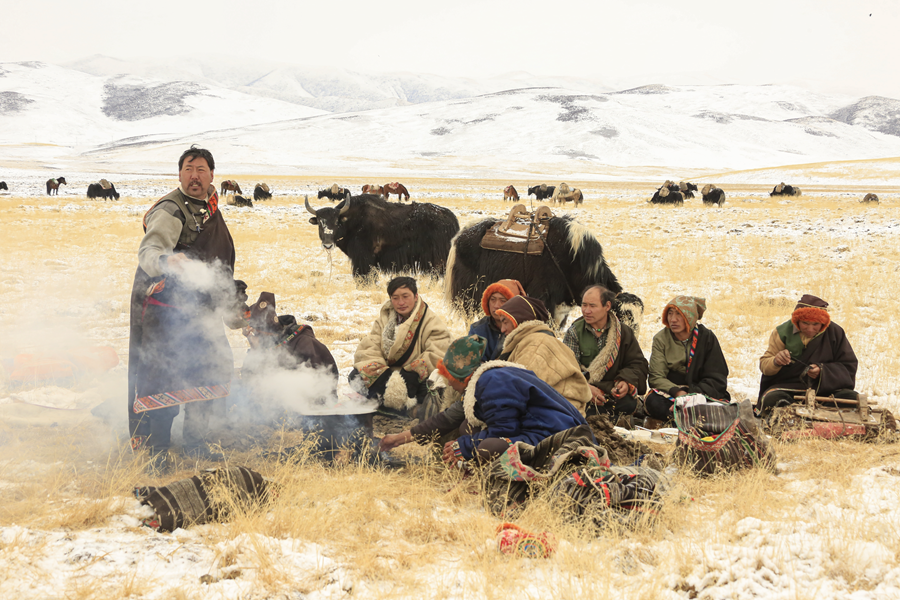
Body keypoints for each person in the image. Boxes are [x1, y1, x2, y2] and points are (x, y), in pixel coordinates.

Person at [127, 146, 246, 466]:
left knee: (207, 372)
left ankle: (195, 443)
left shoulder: (210, 208)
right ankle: (158, 452)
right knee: (164, 378)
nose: (195, 176)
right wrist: (167, 261)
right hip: (168, 314)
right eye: (188, 169)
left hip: (203, 312)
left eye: (201, 170)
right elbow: (149, 250)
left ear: (212, 175)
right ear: (179, 174)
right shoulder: (171, 210)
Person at [426, 335, 589, 463]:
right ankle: (476, 469)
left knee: (488, 447)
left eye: (450, 378)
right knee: (468, 427)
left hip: (554, 435)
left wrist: (465, 446)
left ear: (460, 376)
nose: (449, 384)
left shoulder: (492, 383)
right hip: (537, 429)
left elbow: (505, 431)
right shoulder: (489, 377)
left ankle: (489, 475)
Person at [350, 276, 451, 415]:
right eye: (395, 298)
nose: (401, 302)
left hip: (414, 378)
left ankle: (385, 403)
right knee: (355, 377)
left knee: (434, 385)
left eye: (405, 296)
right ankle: (405, 408)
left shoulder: (430, 320)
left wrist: (412, 372)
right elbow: (370, 347)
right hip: (388, 374)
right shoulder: (384, 320)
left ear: (416, 296)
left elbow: (439, 351)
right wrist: (383, 375)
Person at [239, 292, 339, 423]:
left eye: (253, 335)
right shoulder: (260, 349)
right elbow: (248, 379)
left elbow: (318, 386)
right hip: (277, 410)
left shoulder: (304, 343)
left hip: (313, 412)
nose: (250, 339)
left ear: (265, 334)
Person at [756, 294, 858, 417]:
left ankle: (812, 416)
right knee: (773, 399)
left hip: (825, 391)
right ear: (797, 321)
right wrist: (776, 361)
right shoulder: (782, 332)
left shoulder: (835, 333)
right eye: (805, 323)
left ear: (824, 323)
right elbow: (765, 365)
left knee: (851, 398)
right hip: (788, 390)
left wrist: (822, 371)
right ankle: (799, 418)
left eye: (816, 324)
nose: (810, 329)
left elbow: (848, 367)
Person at [562, 285, 648, 423]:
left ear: (607, 306)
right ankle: (613, 420)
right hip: (584, 391)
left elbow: (636, 363)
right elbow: (567, 369)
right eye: (584, 305)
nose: (586, 311)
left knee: (628, 403)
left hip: (611, 393)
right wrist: (586, 389)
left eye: (592, 306)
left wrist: (625, 382)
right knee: (571, 403)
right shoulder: (575, 332)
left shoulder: (623, 332)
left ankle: (596, 419)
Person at [494, 295, 591, 415]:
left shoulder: (536, 345)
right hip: (555, 412)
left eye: (505, 322)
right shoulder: (530, 341)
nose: (502, 329)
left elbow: (519, 390)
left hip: (557, 416)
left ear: (518, 319)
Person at [644, 296, 730, 427]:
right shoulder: (661, 339)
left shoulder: (706, 338)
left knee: (719, 402)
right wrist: (679, 393)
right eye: (670, 313)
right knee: (654, 402)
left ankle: (684, 417)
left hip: (701, 392)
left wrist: (692, 397)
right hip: (672, 392)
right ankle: (692, 420)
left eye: (679, 314)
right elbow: (656, 377)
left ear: (690, 317)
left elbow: (717, 376)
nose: (673, 319)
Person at [467, 279, 526, 362]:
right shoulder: (477, 329)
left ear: (513, 304)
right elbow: (472, 362)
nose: (496, 305)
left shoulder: (524, 329)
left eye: (503, 301)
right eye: (493, 299)